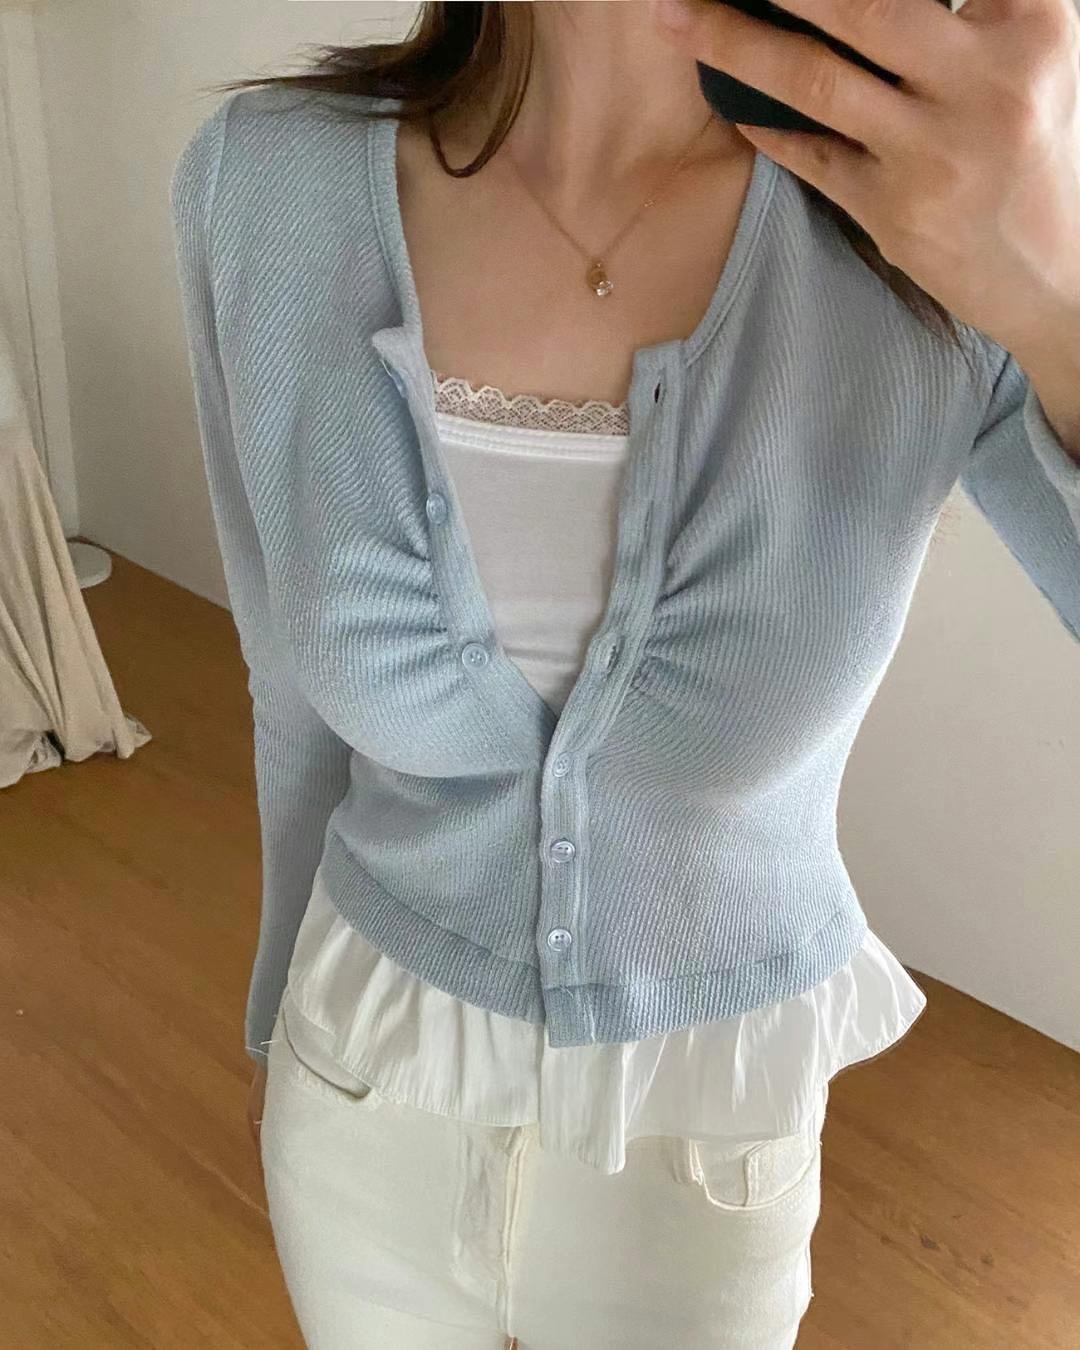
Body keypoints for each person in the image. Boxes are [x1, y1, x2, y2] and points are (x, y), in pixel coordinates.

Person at [169, 2, 1080, 1346]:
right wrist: (275, 1026)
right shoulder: (264, 181)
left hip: (705, 1155)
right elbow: (291, 697)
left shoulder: (937, 229)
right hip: (360, 1092)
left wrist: (1053, 301)